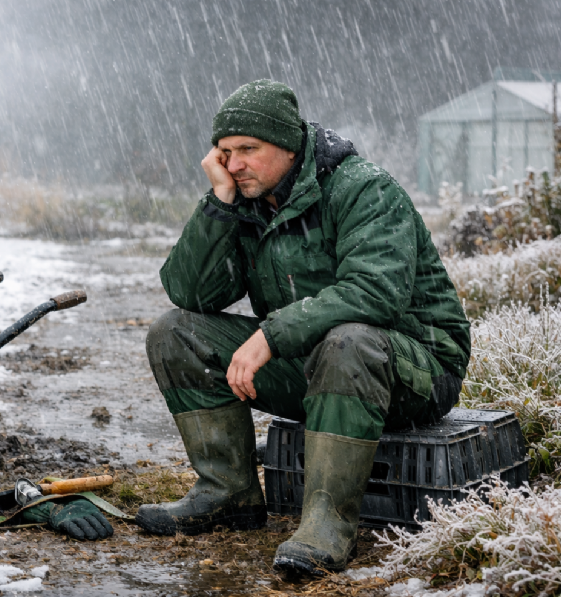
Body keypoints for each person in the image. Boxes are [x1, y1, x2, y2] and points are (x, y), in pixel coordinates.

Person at [135, 79, 470, 576]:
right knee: (175, 333)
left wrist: (270, 335)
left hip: (414, 368)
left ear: (290, 147)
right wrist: (220, 203)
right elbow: (190, 293)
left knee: (347, 341)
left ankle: (327, 524)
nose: (235, 163)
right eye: (225, 152)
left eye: (249, 149)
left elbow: (374, 293)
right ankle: (228, 493)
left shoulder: (363, 188)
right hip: (316, 363)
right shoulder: (245, 201)